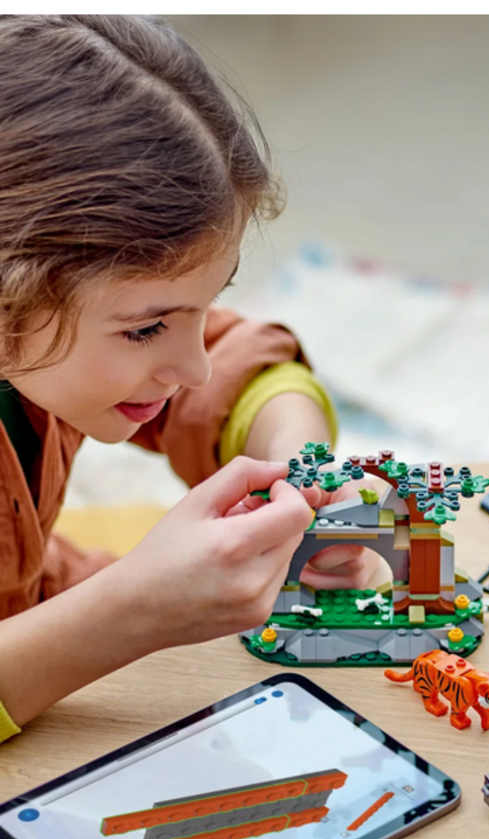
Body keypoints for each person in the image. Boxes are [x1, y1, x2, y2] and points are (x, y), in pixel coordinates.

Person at [0, 15, 371, 744]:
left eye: (201, 309)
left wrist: (302, 465)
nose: (193, 364)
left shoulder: (41, 346)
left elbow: (234, 370)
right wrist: (129, 613)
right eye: (146, 328)